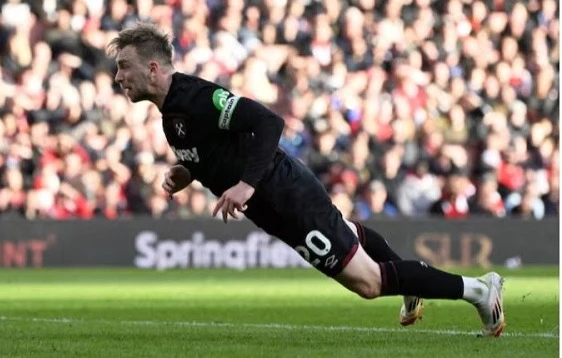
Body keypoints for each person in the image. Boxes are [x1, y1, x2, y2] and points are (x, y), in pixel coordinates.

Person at [107, 22, 505, 337]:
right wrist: (189, 171)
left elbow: (267, 122)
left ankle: (479, 291)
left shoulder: (197, 96)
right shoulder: (171, 112)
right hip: (274, 205)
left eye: (124, 65)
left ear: (153, 67)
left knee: (367, 283)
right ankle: (410, 279)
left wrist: (246, 184)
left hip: (285, 194)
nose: (118, 75)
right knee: (348, 232)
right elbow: (221, 147)